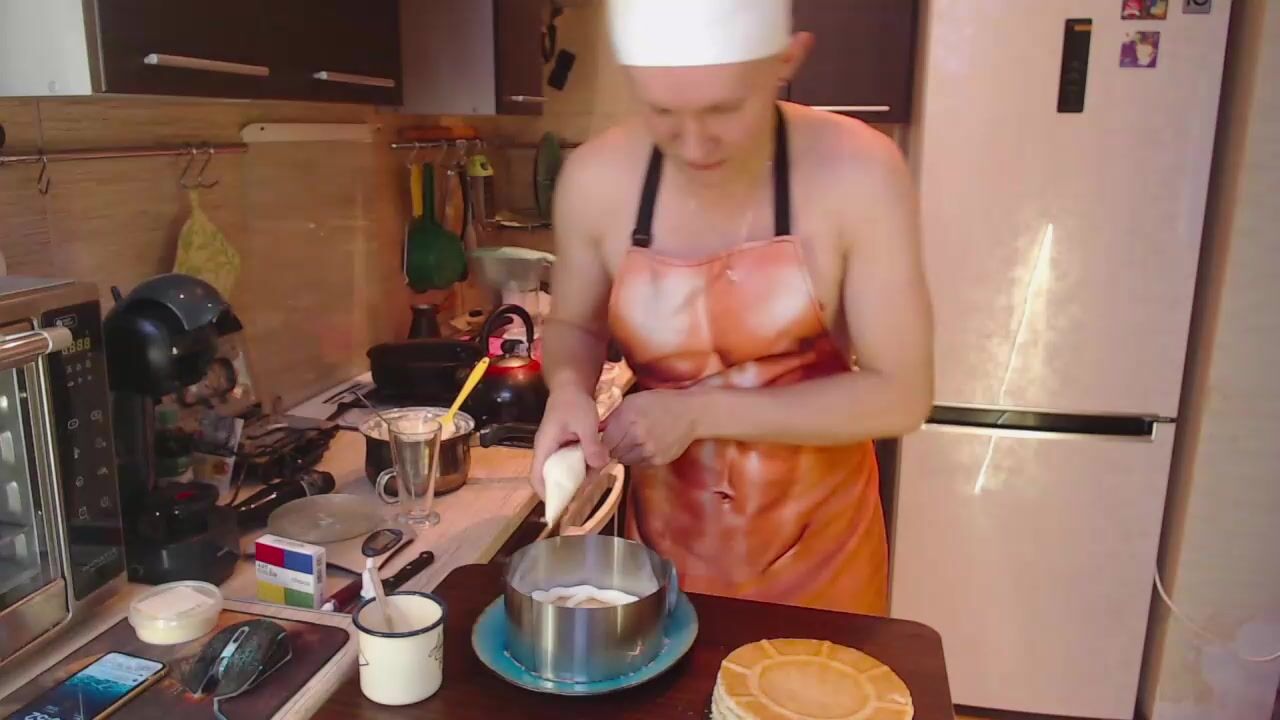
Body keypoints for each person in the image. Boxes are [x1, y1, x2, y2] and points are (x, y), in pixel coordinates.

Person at [530, 0, 934, 615]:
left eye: (724, 109)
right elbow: (574, 325)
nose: (694, 145)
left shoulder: (858, 171)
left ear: (786, 61)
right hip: (665, 562)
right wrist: (567, 390)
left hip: (823, 560)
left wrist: (698, 413)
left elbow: (901, 395)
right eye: (663, 112)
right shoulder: (595, 179)